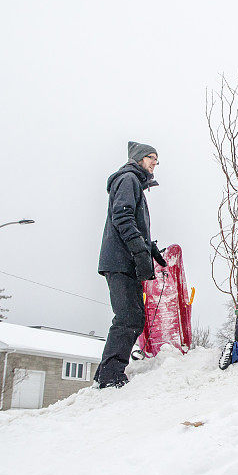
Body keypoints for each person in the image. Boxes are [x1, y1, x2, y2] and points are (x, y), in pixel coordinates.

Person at [95, 141, 167, 388]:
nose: (155, 164)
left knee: (132, 317)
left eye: (157, 160)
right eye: (151, 158)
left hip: (125, 261)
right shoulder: (128, 179)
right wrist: (139, 253)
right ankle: (110, 376)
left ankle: (107, 373)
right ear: (138, 158)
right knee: (128, 317)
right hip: (121, 261)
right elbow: (123, 217)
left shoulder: (133, 182)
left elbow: (134, 225)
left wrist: (152, 252)